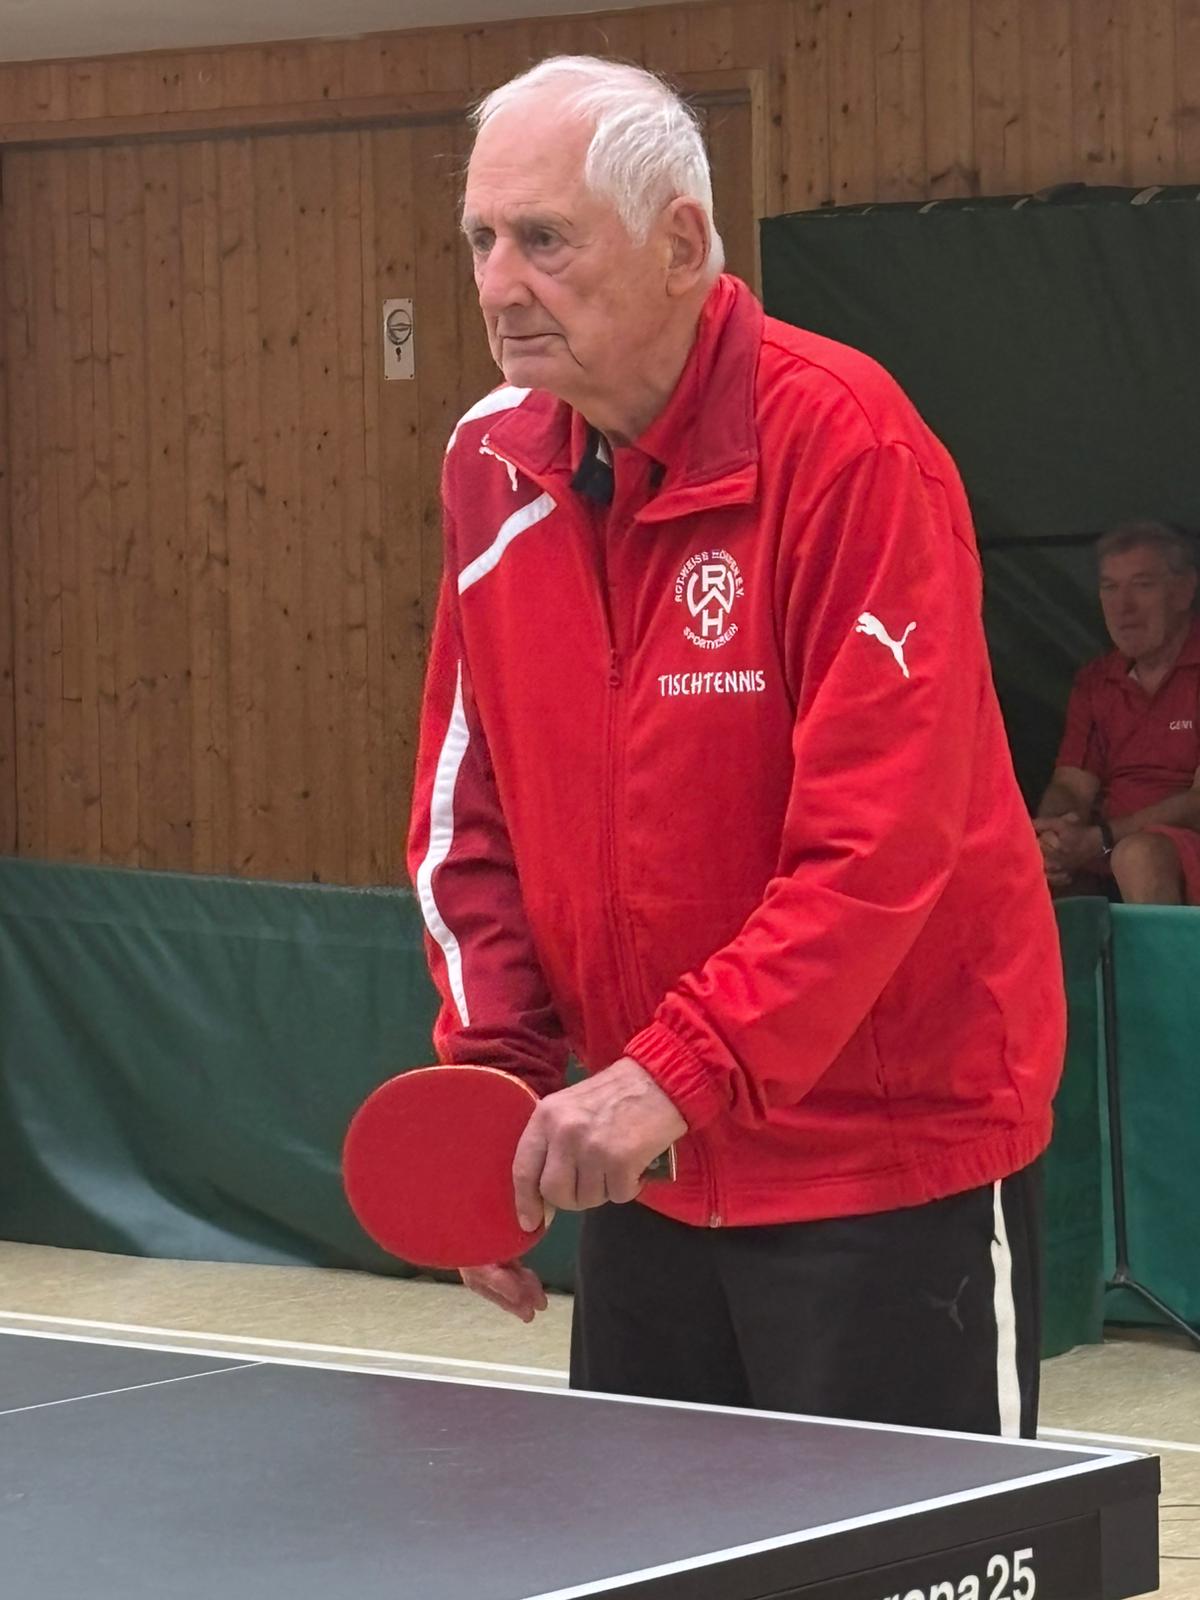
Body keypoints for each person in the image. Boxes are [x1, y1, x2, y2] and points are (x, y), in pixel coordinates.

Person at [408, 55, 1065, 1439]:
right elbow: (469, 816)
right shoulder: (490, 463)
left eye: (545, 239)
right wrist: (497, 1086)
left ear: (681, 244)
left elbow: (878, 848)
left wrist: (673, 1074)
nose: (500, 284)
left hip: (886, 1171)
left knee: (908, 1552)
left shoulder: (850, 448)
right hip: (647, 1167)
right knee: (655, 1548)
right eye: (481, 238)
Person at [1036, 521, 1200, 904]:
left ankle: (1161, 952)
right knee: (1030, 868)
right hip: (1106, 848)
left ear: (1184, 591)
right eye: (1110, 587)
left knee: (1138, 856)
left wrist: (1104, 839)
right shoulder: (1097, 680)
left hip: (1167, 849)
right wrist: (1055, 836)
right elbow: (1071, 785)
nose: (1123, 607)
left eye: (1143, 585)